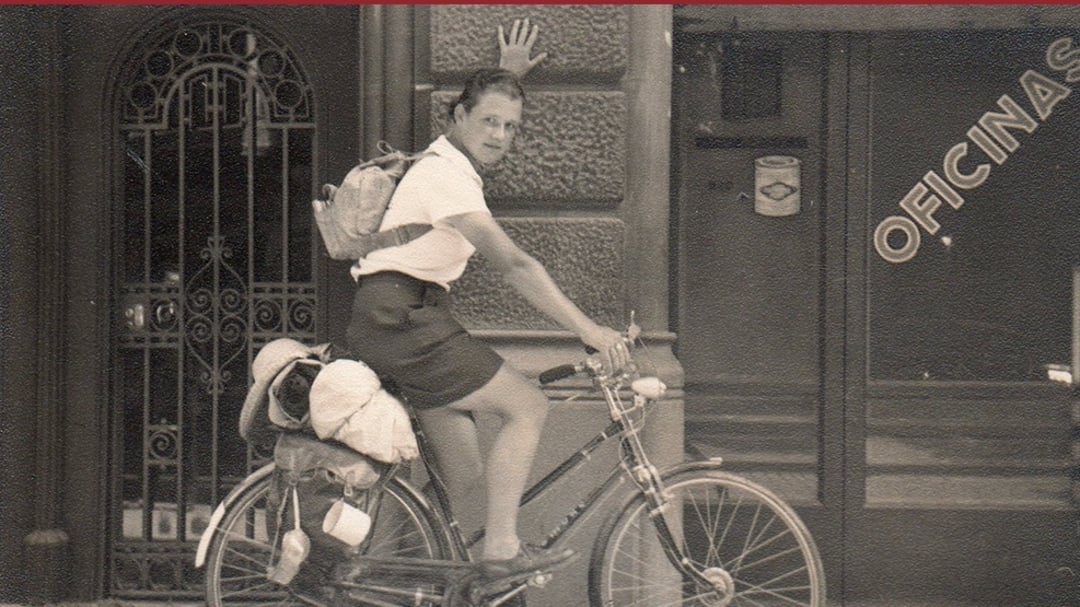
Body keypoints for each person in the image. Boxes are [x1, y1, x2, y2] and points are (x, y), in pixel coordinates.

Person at [344, 21, 629, 572]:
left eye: (511, 127)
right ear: (457, 117)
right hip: (401, 318)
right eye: (489, 121)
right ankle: (502, 550)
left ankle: (390, 573)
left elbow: (488, 114)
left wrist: (508, 78)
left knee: (464, 481)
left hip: (404, 316)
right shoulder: (446, 177)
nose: (500, 135)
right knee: (527, 405)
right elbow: (515, 265)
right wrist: (589, 330)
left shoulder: (451, 165)